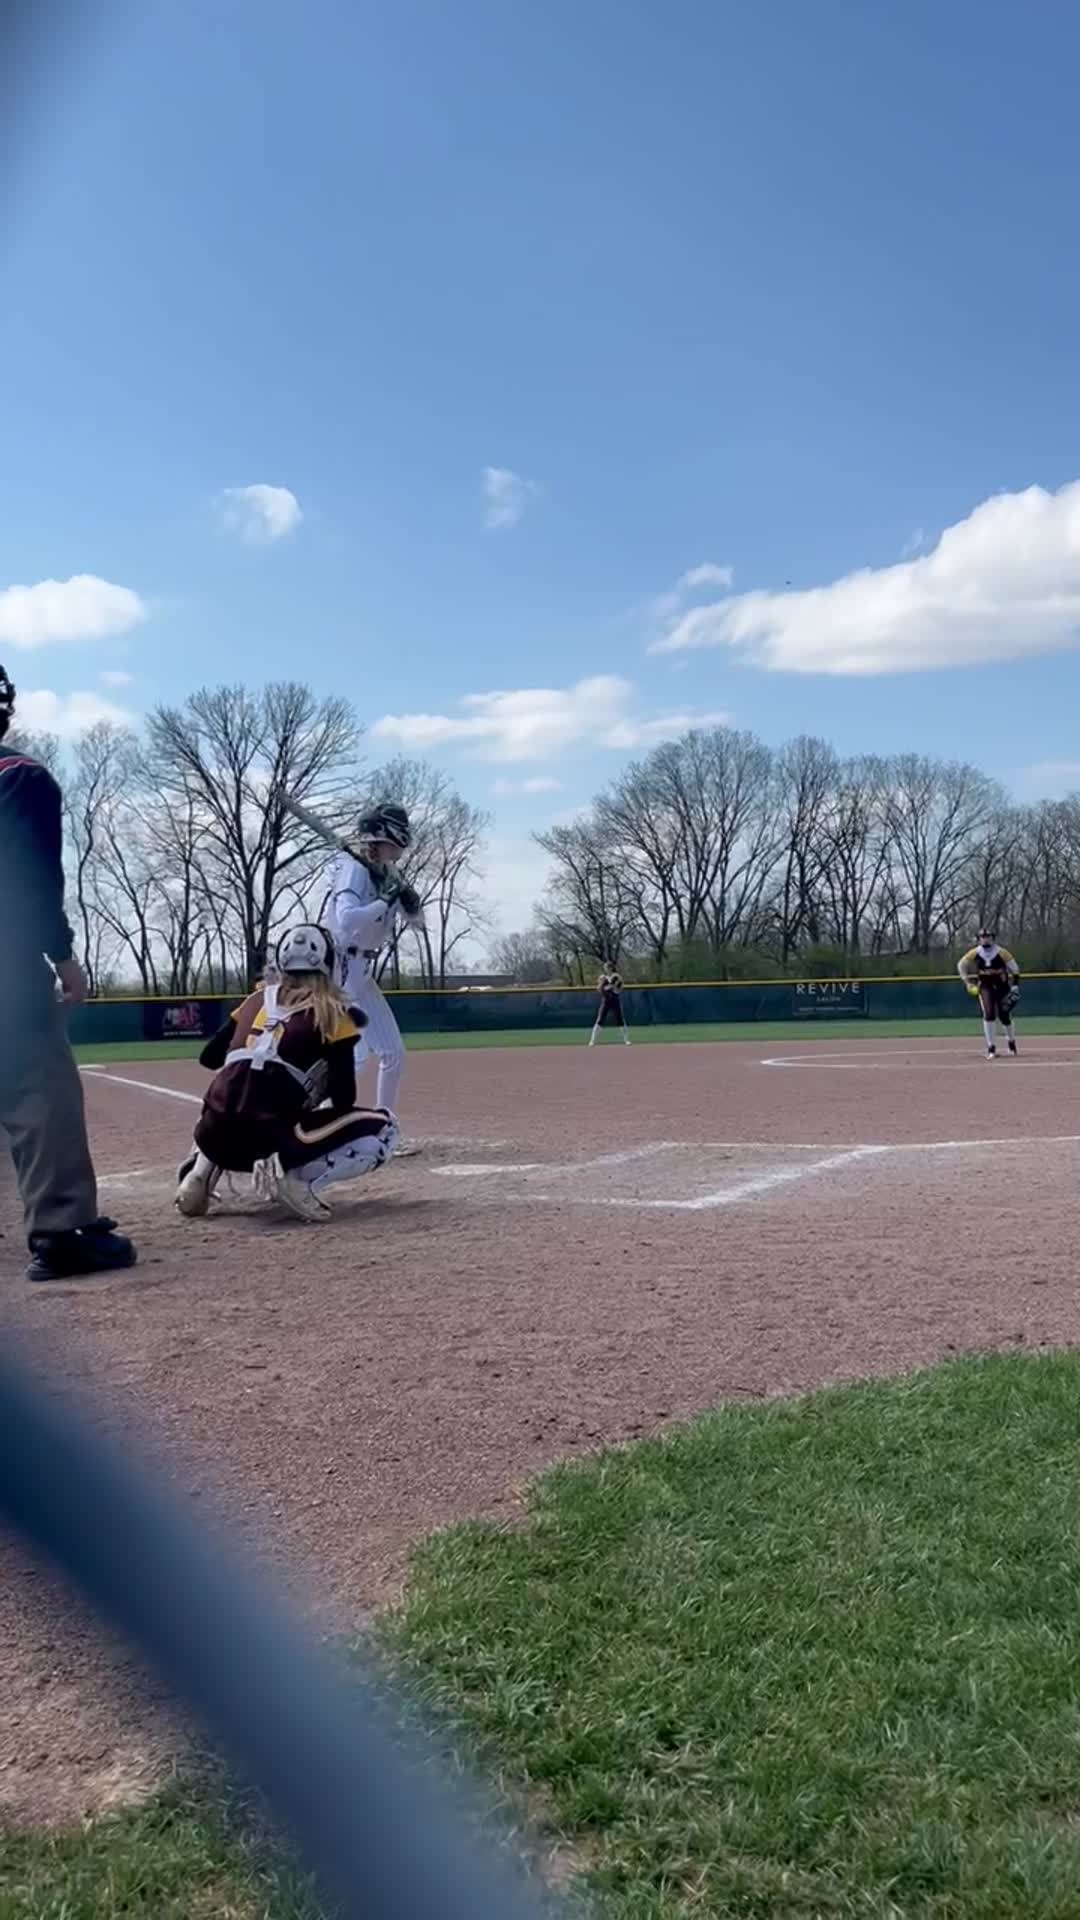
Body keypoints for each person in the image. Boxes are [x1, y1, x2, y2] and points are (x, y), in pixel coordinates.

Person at [0, 665, 136, 1281]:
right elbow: (27, 883)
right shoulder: (18, 776)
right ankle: (62, 1231)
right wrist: (61, 955)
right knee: (38, 1086)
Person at [175, 923, 399, 1224]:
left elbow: (209, 1058)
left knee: (229, 1094)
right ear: (328, 965)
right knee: (386, 1128)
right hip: (268, 1142)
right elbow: (345, 1098)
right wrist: (313, 1088)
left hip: (211, 1138)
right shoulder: (332, 1012)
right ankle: (298, 1181)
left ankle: (198, 1175)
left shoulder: (255, 1000)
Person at [319, 804, 423, 1120]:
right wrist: (385, 900)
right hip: (341, 967)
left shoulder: (387, 873)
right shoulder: (355, 869)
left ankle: (383, 1126)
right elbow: (347, 920)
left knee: (392, 1054)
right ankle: (318, 1121)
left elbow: (417, 924)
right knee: (354, 1054)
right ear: (385, 834)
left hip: (361, 972)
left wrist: (409, 902)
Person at [958, 928, 1020, 1059]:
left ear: (993, 938)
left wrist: (1015, 986)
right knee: (989, 1013)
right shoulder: (975, 952)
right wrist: (967, 981)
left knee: (1004, 1016)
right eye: (982, 937)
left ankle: (1011, 1043)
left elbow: (1015, 969)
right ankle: (991, 1048)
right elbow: (961, 964)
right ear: (979, 939)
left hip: (1002, 987)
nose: (985, 939)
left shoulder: (1002, 952)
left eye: (988, 936)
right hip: (985, 987)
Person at [589, 964, 630, 1047]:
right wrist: (606, 986)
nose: (607, 969)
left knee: (620, 1020)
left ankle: (626, 1040)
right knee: (600, 1019)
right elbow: (599, 989)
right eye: (606, 968)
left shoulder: (617, 976)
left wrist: (616, 987)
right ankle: (592, 1041)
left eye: (608, 967)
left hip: (615, 1000)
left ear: (611, 968)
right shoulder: (603, 977)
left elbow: (620, 988)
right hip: (606, 1001)